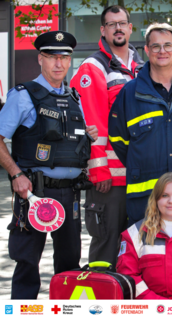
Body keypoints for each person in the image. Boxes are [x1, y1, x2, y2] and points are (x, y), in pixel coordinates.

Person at [0, 31, 98, 299]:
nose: (59, 63)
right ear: (40, 59)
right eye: (52, 57)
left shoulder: (75, 97)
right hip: (34, 192)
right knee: (28, 262)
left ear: (70, 61)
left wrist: (87, 137)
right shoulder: (23, 95)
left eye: (64, 57)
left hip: (71, 194)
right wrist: (16, 174)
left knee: (69, 266)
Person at [109, 23, 172, 227]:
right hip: (147, 203)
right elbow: (119, 141)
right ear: (147, 50)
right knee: (149, 257)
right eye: (155, 46)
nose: (162, 51)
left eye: (167, 45)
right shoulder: (129, 93)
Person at [70, 5, 144, 270]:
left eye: (122, 23)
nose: (118, 28)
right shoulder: (93, 67)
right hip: (109, 179)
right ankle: (99, 308)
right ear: (103, 30)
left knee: (138, 247)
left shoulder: (142, 66)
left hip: (140, 174)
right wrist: (98, 170)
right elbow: (92, 122)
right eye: (112, 24)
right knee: (106, 245)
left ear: (130, 27)